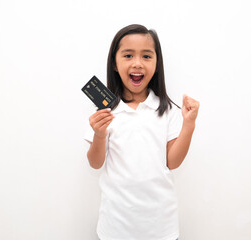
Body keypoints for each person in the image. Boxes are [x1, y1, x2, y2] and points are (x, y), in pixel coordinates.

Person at [84, 24, 199, 240]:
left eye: (146, 56)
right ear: (115, 64)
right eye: (128, 55)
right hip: (115, 226)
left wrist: (189, 125)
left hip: (161, 227)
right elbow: (95, 163)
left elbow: (172, 162)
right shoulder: (103, 111)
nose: (137, 63)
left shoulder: (168, 110)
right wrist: (99, 135)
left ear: (157, 64)